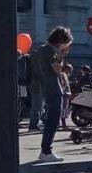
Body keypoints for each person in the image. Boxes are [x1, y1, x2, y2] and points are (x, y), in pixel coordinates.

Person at [28, 27, 70, 162]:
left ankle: (46, 150)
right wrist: (62, 54)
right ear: (61, 41)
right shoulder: (50, 50)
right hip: (53, 88)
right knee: (53, 121)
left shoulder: (41, 50)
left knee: (51, 120)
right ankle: (46, 151)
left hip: (46, 87)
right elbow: (57, 68)